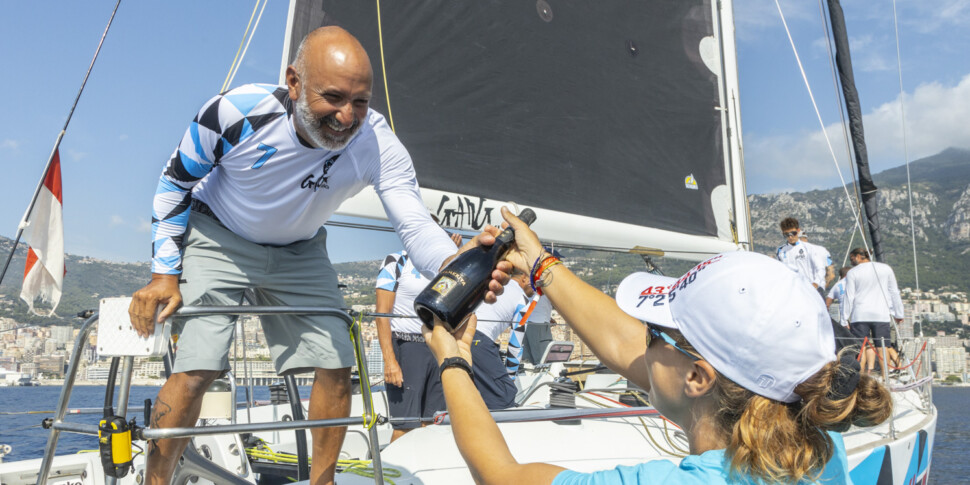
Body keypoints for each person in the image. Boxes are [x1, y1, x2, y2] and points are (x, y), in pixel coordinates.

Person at [126, 27, 510, 485]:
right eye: (333, 98)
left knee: (336, 362)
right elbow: (175, 184)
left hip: (299, 248)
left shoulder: (377, 143)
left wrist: (455, 267)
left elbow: (413, 223)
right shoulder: (235, 112)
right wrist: (163, 275)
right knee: (196, 369)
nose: (347, 117)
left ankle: (322, 482)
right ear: (293, 82)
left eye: (361, 102)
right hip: (219, 235)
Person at [419, 208, 892, 485]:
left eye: (654, 331)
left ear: (698, 378)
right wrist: (540, 266)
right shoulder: (817, 440)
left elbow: (502, 476)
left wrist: (454, 360)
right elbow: (627, 344)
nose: (640, 338)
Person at [375, 232, 462, 442]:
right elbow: (381, 314)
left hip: (437, 346)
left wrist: (453, 254)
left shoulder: (444, 265)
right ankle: (393, 473)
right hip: (406, 346)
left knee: (433, 422)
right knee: (405, 425)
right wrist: (390, 361)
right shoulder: (396, 261)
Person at [471, 267, 533, 409]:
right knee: (504, 395)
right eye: (535, 282)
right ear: (524, 277)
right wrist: (509, 379)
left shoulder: (494, 283)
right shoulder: (523, 301)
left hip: (460, 334)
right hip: (479, 339)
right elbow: (516, 345)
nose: (536, 288)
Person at [844, 248, 904, 374]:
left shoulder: (852, 273)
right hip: (881, 315)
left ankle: (859, 380)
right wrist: (899, 313)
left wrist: (844, 318)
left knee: (861, 348)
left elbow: (849, 296)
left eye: (852, 258)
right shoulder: (886, 269)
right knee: (882, 347)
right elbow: (894, 292)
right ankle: (885, 377)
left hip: (860, 315)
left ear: (860, 256)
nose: (851, 261)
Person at [776, 217, 828, 296]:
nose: (790, 237)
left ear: (798, 231)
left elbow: (820, 268)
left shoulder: (809, 248)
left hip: (811, 289)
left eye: (793, 233)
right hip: (793, 292)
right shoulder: (781, 251)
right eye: (786, 235)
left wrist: (815, 283)